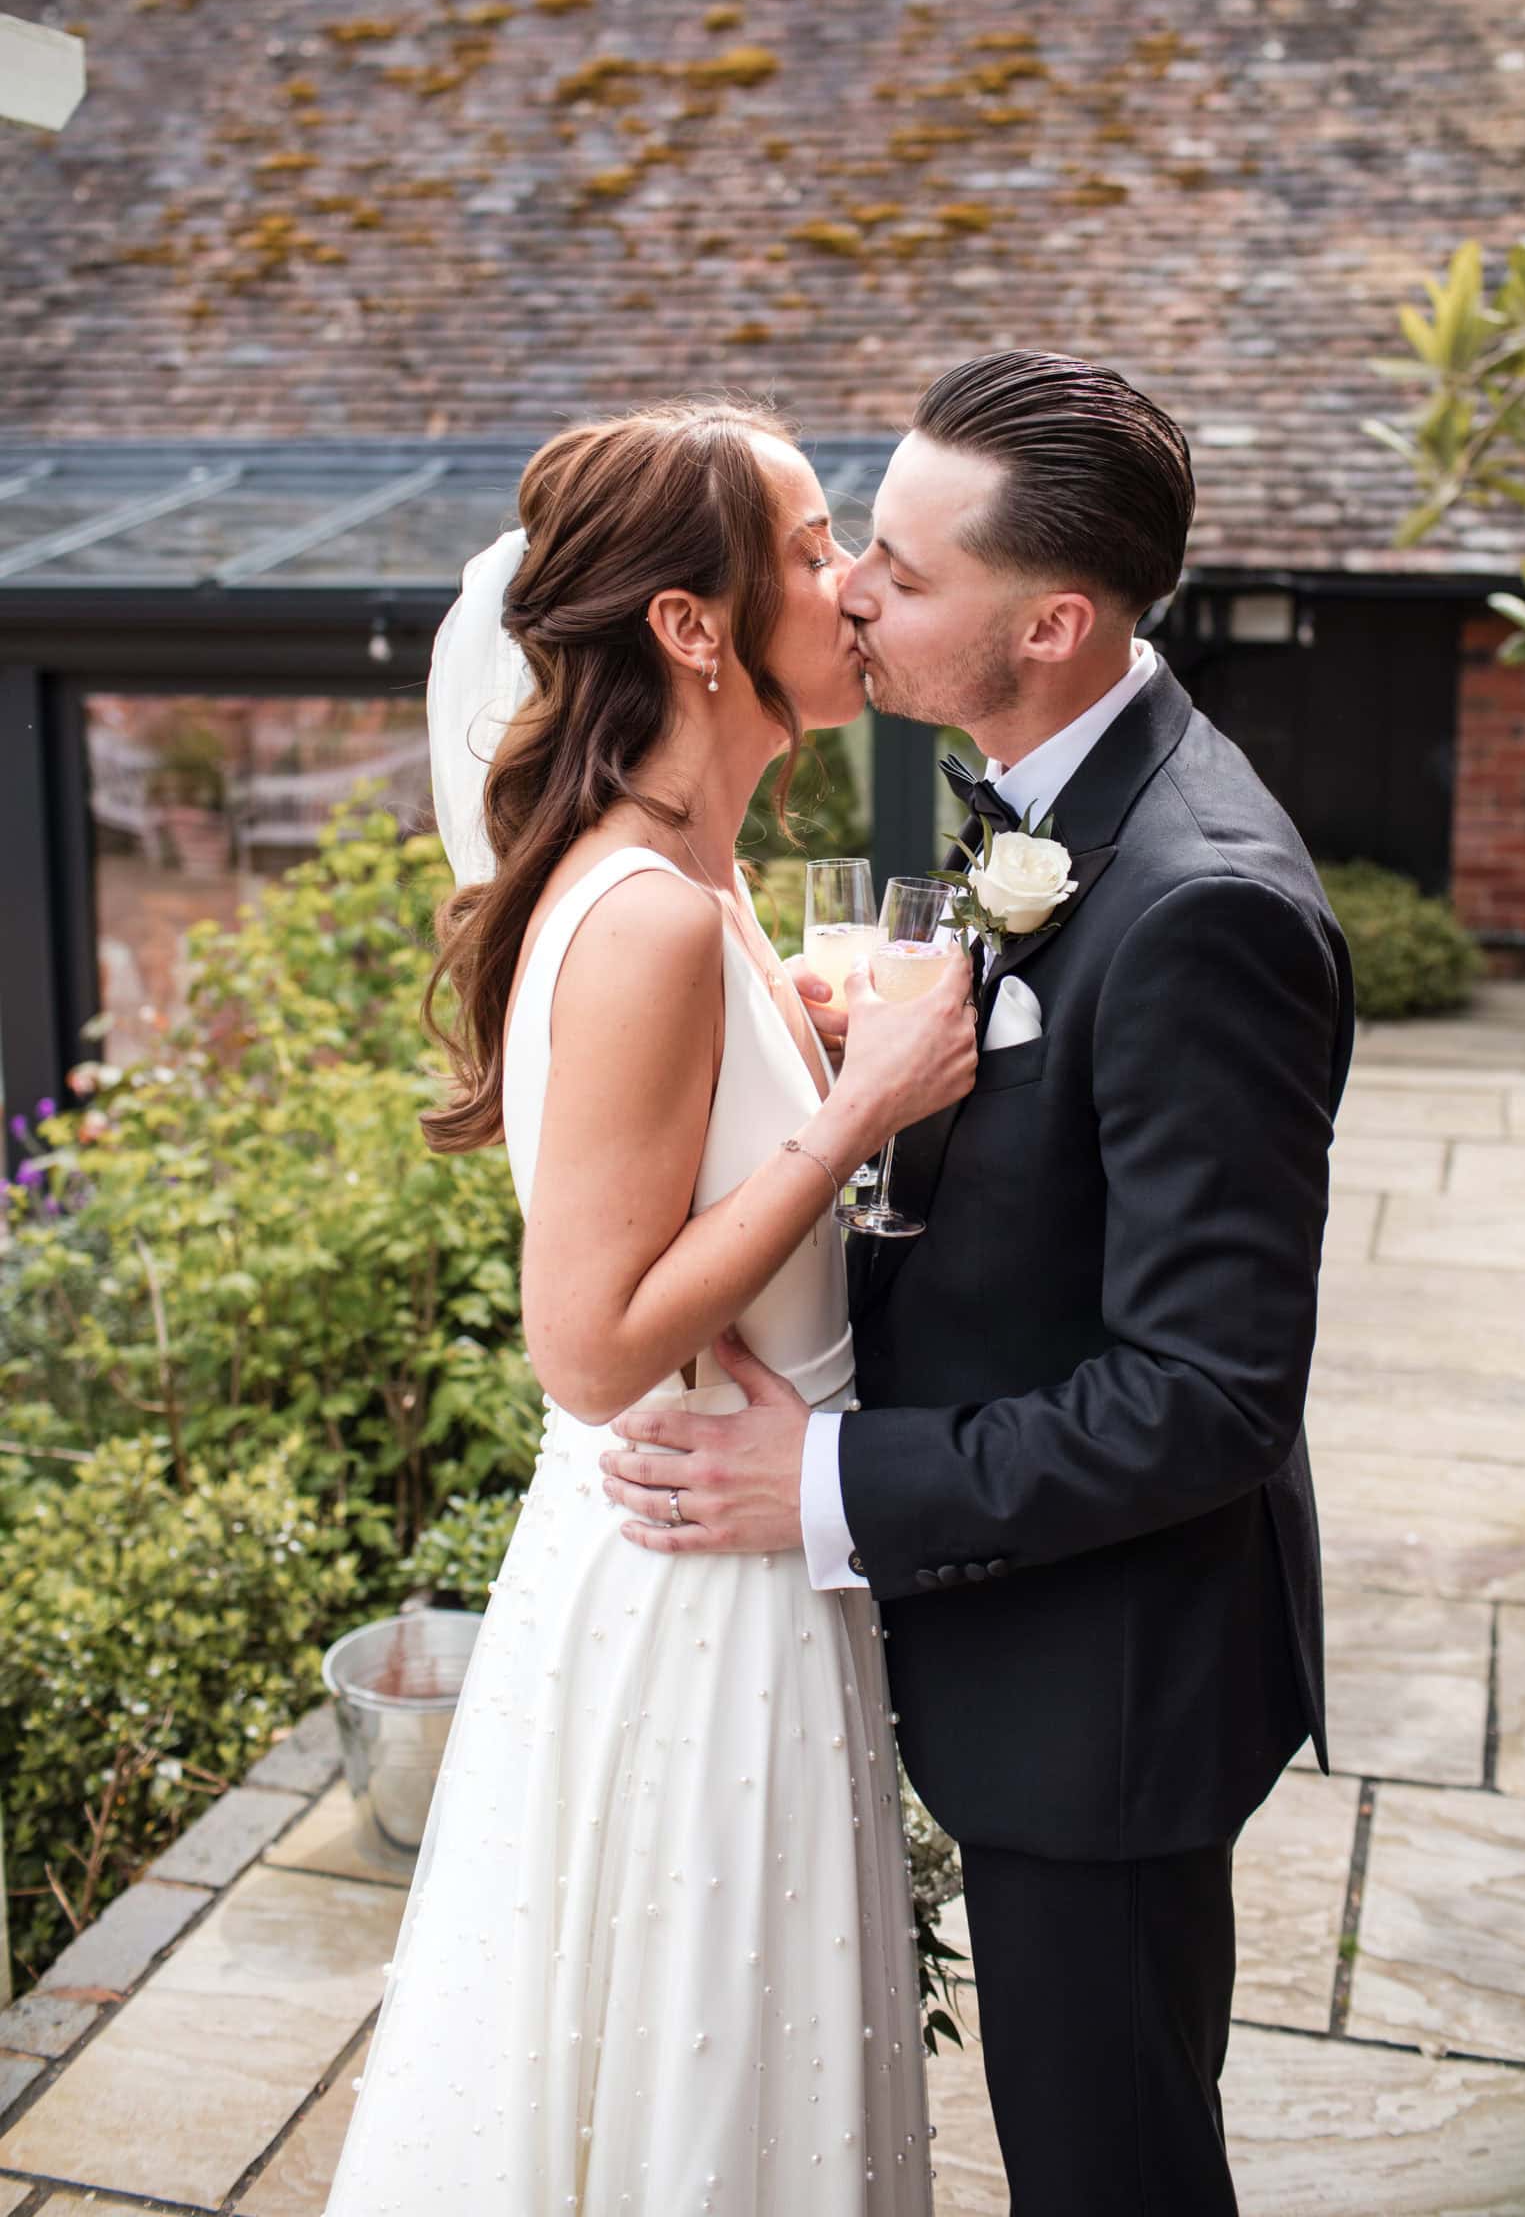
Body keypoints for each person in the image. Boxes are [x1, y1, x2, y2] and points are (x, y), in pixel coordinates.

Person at [599, 351, 1355, 2216]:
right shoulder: (1049, 783)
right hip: (1038, 1649)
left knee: (1110, 2168)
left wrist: (829, 1489)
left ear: (1055, 622)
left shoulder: (1208, 908)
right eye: (857, 542)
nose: (850, 588)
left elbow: (1209, 1394)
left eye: (905, 574)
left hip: (1108, 1696)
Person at [321, 400, 975, 2216]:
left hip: (754, 1549)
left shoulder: (703, 877)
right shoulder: (650, 917)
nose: (847, 584)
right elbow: (592, 1345)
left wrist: (815, 1030)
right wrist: (861, 1106)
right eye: (806, 544)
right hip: (692, 1579)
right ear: (691, 628)